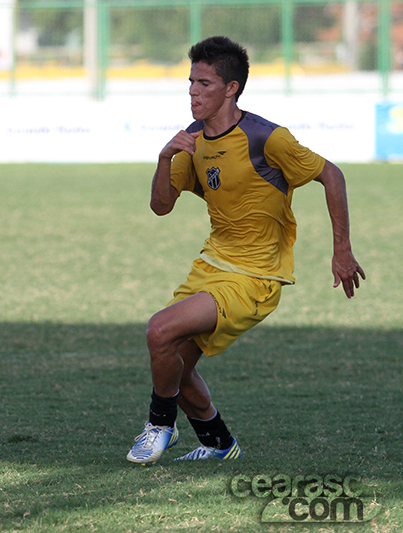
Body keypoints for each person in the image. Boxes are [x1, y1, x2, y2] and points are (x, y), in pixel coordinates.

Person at [126, 36, 365, 464]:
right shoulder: (192, 141)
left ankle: (159, 424)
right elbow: (161, 206)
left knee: (159, 331)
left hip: (256, 277)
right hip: (211, 266)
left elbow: (332, 174)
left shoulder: (266, 138)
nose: (193, 92)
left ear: (231, 88)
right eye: (190, 82)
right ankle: (219, 444)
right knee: (174, 364)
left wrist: (341, 250)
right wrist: (164, 159)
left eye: (204, 83)